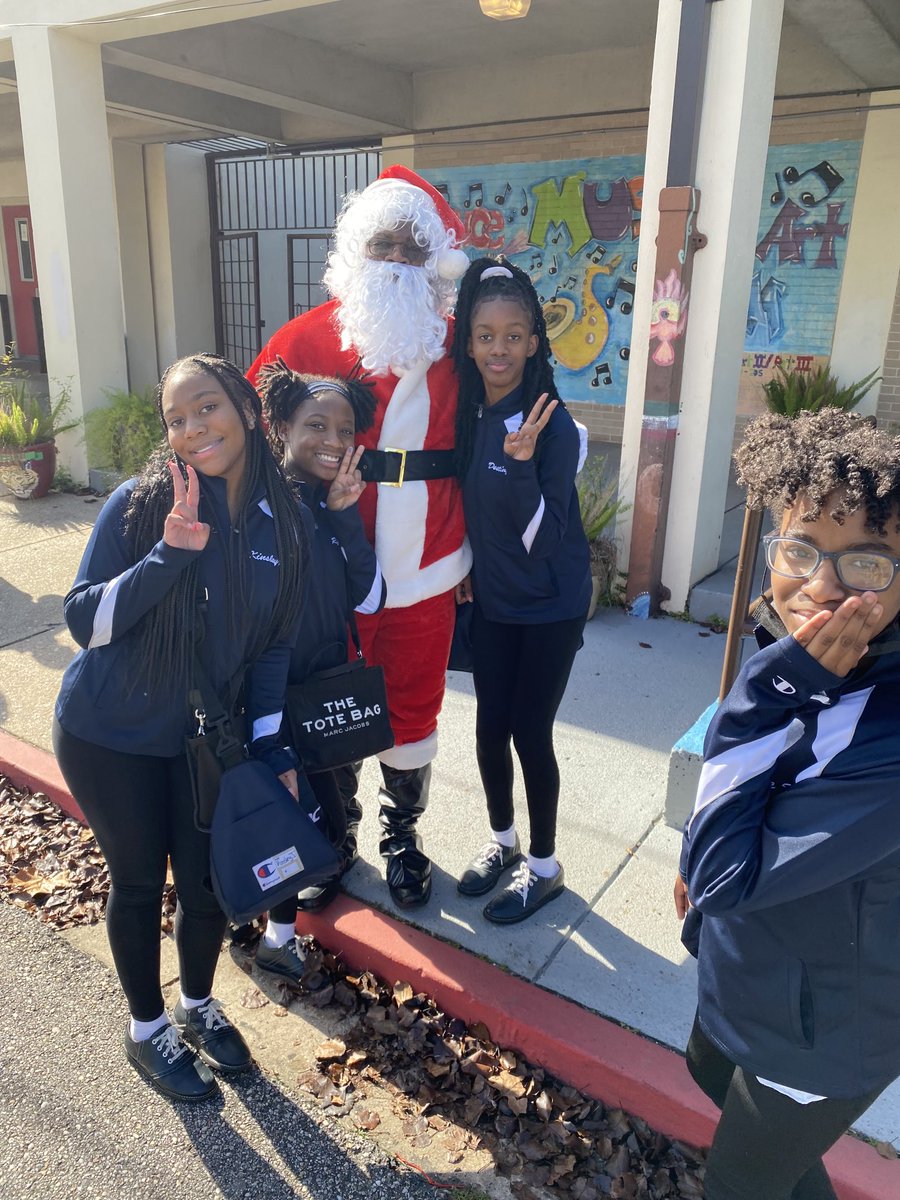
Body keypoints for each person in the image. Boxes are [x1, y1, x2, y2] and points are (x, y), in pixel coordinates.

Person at [53, 353, 307, 1103]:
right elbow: (83, 622)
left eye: (208, 409)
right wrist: (169, 553)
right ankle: (146, 1031)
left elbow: (274, 648)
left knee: (203, 890)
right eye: (177, 418)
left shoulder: (280, 522)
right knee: (137, 886)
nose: (194, 428)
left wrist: (268, 749)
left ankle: (196, 1006)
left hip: (203, 742)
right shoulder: (138, 505)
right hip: (111, 736)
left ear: (249, 413)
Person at [677, 408, 900, 1199]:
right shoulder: (816, 662)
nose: (821, 585)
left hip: (826, 1027)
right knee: (708, 1069)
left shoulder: (877, 726)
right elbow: (733, 815)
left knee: (740, 1186)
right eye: (800, 549)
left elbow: (725, 871)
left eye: (867, 563)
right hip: (757, 965)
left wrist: (759, 694)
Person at [247, 165, 471, 909]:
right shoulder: (303, 336)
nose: (399, 260)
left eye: (415, 247)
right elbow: (247, 437)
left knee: (414, 705)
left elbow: (486, 451)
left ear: (435, 259)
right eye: (385, 245)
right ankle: (334, 835)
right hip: (327, 572)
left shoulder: (462, 345)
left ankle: (402, 838)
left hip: (428, 565)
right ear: (356, 251)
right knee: (330, 701)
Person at [451, 258, 591, 923]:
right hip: (496, 602)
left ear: (535, 340)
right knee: (488, 727)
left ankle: (544, 867)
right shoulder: (473, 412)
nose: (498, 348)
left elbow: (543, 542)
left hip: (550, 605)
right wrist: (466, 571)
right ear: (469, 341)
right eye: (486, 335)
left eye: (513, 335)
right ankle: (503, 842)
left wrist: (519, 469)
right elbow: (473, 511)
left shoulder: (553, 426)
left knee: (530, 731)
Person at [251, 361, 387, 980]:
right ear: (281, 425)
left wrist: (344, 517)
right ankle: (278, 935)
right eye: (316, 425)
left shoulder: (335, 508)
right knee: (282, 809)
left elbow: (372, 598)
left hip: (329, 694)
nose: (334, 441)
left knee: (325, 810)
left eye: (345, 429)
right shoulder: (257, 503)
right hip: (272, 696)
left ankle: (322, 867)